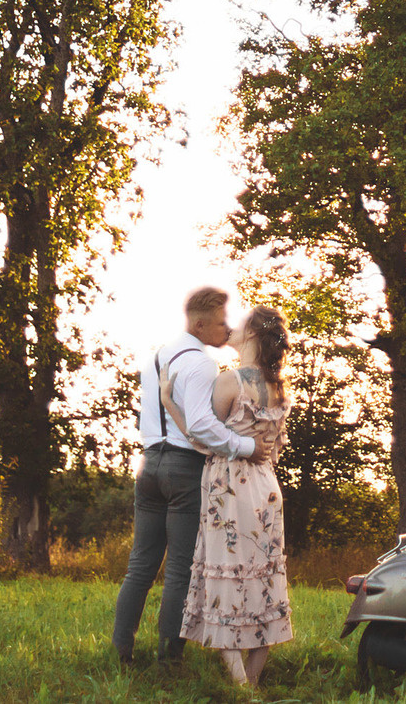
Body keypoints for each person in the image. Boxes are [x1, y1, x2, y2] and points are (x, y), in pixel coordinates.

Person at [112, 285, 262, 669]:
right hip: (182, 467)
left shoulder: (157, 356)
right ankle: (169, 660)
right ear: (199, 324)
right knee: (180, 566)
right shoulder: (200, 363)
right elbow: (199, 424)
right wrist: (245, 447)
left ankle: (121, 652)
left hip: (149, 464)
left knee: (140, 564)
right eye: (220, 323)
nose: (226, 330)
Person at [182, 303, 292, 688]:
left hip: (229, 486)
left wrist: (168, 403)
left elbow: (200, 438)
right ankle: (254, 680)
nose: (229, 326)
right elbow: (274, 450)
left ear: (251, 335)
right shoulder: (279, 388)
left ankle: (242, 687)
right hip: (266, 487)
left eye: (238, 323)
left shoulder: (230, 382)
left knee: (226, 579)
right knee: (264, 578)